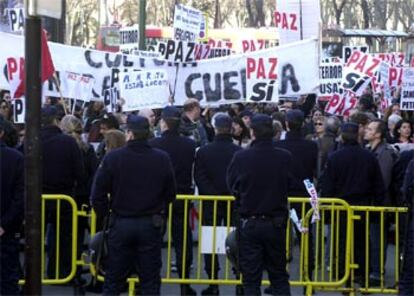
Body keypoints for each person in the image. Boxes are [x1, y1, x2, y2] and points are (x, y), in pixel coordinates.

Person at [90, 115, 176, 295]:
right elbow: (170, 193)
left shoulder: (114, 158)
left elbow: (97, 194)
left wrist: (106, 214)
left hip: (121, 222)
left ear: (129, 134)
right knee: (149, 279)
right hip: (150, 223)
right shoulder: (162, 158)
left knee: (113, 277)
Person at [227, 114, 292, 296]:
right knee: (278, 275)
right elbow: (292, 183)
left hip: (250, 222)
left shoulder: (241, 157)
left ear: (252, 132)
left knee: (250, 279)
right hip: (275, 222)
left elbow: (231, 185)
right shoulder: (284, 157)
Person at [321, 122, 385, 284]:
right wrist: (378, 209)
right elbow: (378, 185)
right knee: (362, 241)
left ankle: (343, 275)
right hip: (363, 206)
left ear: (342, 136)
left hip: (340, 207)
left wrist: (327, 212)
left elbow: (327, 186)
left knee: (341, 241)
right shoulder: (369, 157)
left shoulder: (335, 158)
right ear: (358, 135)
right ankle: (362, 274)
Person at [149, 106, 197, 296]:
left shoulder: (154, 144)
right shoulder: (189, 145)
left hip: (158, 198)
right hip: (181, 197)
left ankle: (153, 284)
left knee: (154, 241)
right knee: (182, 241)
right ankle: (184, 285)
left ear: (165, 123)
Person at [194, 114, 242, 295]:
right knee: (237, 240)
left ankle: (213, 282)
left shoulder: (204, 151)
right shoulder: (238, 151)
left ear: (214, 128)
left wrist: (212, 195)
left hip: (211, 202)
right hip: (234, 202)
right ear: (230, 128)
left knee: (210, 243)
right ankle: (239, 279)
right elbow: (240, 178)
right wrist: (232, 194)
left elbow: (200, 177)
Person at [40, 106, 84, 279]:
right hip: (64, 198)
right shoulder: (68, 142)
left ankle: (33, 272)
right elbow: (79, 172)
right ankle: (60, 272)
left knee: (35, 237)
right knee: (63, 238)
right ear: (56, 121)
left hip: (38, 197)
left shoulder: (32, 140)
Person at [364, 119, 399, 285]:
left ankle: (377, 273)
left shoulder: (385, 153)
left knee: (377, 238)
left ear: (378, 133)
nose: (366, 131)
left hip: (379, 204)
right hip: (370, 202)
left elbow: (383, 181)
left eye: (370, 129)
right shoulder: (368, 149)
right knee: (371, 238)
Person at [0, 115, 24, 295]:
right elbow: (20, 197)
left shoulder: (15, 158)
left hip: (7, 227)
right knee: (8, 279)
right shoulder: (15, 158)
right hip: (7, 228)